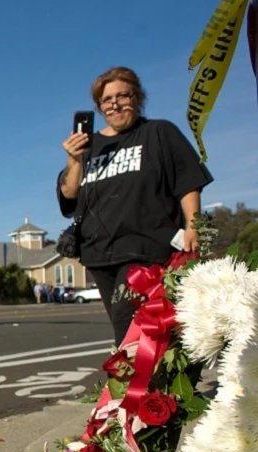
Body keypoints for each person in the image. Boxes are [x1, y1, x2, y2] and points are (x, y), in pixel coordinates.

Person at [56, 66, 213, 346]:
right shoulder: (89, 147)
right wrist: (74, 159)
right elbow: (69, 194)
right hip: (99, 253)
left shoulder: (159, 132)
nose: (115, 105)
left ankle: (133, 385)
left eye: (123, 96)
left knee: (126, 323)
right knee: (144, 328)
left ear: (137, 98)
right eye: (107, 100)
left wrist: (194, 225)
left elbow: (187, 180)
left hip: (146, 248)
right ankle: (156, 384)